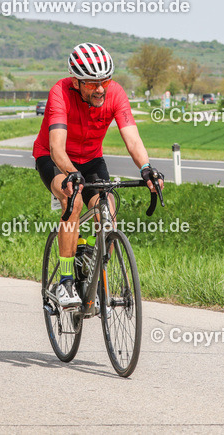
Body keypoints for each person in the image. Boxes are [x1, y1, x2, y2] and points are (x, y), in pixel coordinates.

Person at [33, 42, 163, 308]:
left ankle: (95, 268)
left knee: (108, 211)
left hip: (91, 159)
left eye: (105, 80)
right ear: (76, 81)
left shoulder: (115, 94)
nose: (101, 88)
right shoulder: (60, 93)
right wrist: (71, 173)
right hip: (54, 159)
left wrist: (146, 168)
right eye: (92, 83)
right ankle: (67, 282)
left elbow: (132, 139)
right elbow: (56, 147)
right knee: (74, 199)